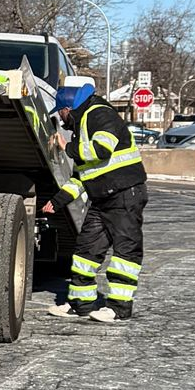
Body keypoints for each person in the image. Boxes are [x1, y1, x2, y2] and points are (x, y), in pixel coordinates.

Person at [42, 77, 147, 322]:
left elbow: (101, 150)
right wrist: (55, 202)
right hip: (102, 199)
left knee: (125, 253)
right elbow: (81, 177)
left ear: (67, 109)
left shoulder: (100, 114)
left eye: (60, 115)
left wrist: (66, 147)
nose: (61, 120)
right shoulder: (82, 126)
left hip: (124, 194)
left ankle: (119, 308)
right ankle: (80, 304)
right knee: (85, 253)